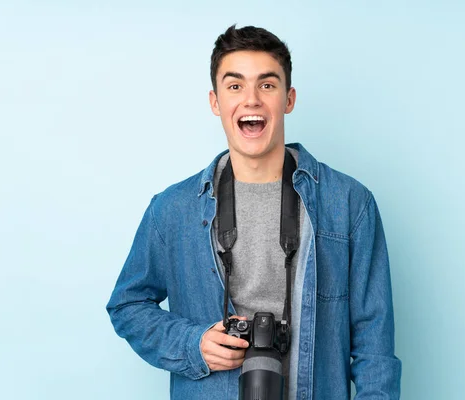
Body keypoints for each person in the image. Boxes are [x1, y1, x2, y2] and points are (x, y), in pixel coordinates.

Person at [106, 24, 402, 399]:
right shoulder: (172, 210)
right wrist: (192, 344)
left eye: (267, 85)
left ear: (288, 99)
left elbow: (375, 344)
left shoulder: (348, 204)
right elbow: (127, 304)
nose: (251, 100)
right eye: (235, 86)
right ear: (215, 102)